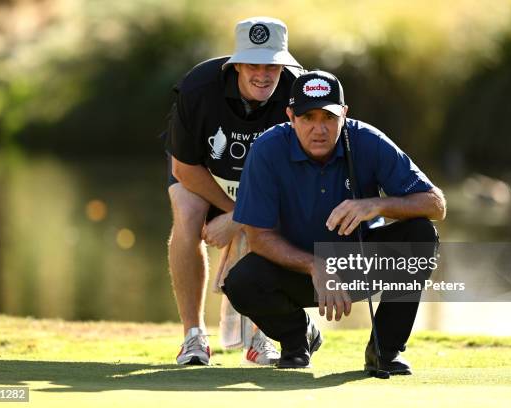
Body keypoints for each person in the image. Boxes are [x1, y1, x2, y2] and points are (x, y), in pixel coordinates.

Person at [223, 70, 446, 371]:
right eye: (308, 117)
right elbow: (259, 236)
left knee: (421, 233)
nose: (319, 129)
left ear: (344, 114)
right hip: (296, 270)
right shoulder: (267, 150)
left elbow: (436, 204)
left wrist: (376, 205)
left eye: (328, 117)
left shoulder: (367, 140)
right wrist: (315, 265)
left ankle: (385, 350)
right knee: (240, 282)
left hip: (358, 266)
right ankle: (297, 338)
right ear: (290, 116)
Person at [164, 16, 303, 366]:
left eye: (273, 64)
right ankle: (193, 337)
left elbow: (302, 174)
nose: (264, 74)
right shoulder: (198, 88)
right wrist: (232, 210)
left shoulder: (300, 92)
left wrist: (242, 219)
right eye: (254, 64)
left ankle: (261, 337)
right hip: (205, 176)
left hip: (266, 185)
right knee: (188, 213)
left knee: (271, 227)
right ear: (237, 63)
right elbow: (183, 169)